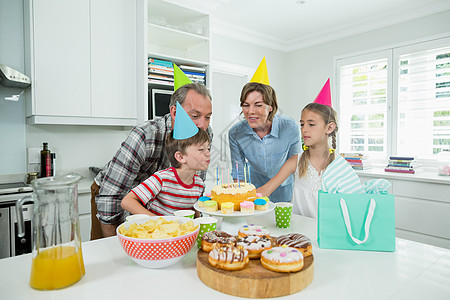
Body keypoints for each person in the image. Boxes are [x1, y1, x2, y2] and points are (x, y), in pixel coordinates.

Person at [91, 82, 212, 239]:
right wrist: (115, 245)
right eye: (195, 116)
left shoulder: (204, 133)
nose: (202, 125)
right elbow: (112, 197)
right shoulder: (145, 135)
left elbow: (193, 184)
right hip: (114, 193)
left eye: (208, 117)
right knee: (106, 256)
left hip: (154, 203)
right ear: (175, 112)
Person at [257, 102, 364, 218]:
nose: (304, 130)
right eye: (302, 124)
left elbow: (355, 207)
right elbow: (266, 189)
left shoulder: (340, 167)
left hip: (328, 233)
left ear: (329, 128)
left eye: (311, 124)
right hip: (300, 232)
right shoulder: (295, 162)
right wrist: (239, 198)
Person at [228, 58, 301, 203]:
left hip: (285, 189)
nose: (250, 111)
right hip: (254, 189)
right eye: (246, 105)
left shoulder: (290, 127)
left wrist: (267, 189)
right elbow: (239, 172)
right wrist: (241, 197)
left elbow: (294, 162)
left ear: (271, 107)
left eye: (258, 105)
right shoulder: (236, 133)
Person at [121, 104, 211, 216]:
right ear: (180, 157)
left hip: (180, 233)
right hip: (157, 232)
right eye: (201, 149)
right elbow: (127, 202)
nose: (208, 153)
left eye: (208, 148)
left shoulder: (199, 184)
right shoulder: (162, 179)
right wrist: (159, 222)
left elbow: (196, 216)